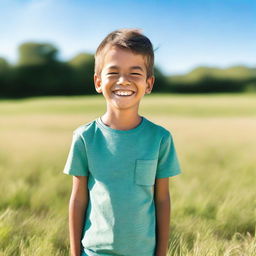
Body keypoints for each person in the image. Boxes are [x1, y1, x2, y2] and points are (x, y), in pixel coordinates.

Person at [63, 28, 181, 256]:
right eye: (113, 72)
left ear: (149, 83)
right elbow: (78, 199)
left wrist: (162, 252)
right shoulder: (85, 138)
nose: (123, 81)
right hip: (94, 252)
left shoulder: (160, 139)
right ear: (98, 82)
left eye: (135, 73)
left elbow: (162, 199)